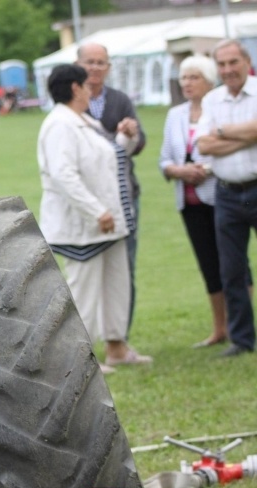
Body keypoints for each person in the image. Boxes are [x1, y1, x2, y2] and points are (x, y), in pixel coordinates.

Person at [37, 64, 152, 373]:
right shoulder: (60, 124)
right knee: (84, 291)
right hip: (84, 225)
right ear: (75, 88)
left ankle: (117, 346)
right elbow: (64, 175)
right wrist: (95, 210)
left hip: (109, 222)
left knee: (116, 284)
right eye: (86, 85)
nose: (91, 91)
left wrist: (125, 139)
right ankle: (79, 359)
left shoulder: (84, 120)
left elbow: (106, 160)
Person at [159, 55, 232, 349]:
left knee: (232, 263)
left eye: (193, 77)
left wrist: (205, 170)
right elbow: (164, 159)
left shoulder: (220, 110)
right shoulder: (175, 115)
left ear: (209, 80)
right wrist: (178, 171)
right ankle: (220, 328)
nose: (186, 83)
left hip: (222, 195)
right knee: (208, 264)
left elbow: (234, 150)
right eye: (183, 77)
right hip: (188, 202)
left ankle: (241, 323)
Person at [77, 42, 147, 337]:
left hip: (122, 193)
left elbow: (140, 143)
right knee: (87, 273)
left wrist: (132, 134)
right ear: (78, 65)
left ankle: (120, 338)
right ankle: (88, 340)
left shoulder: (119, 100)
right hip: (88, 197)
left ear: (108, 67)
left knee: (124, 267)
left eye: (101, 62)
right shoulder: (72, 106)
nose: (95, 68)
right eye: (89, 62)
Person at [197, 39, 257, 357]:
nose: (228, 70)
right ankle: (243, 339)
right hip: (228, 194)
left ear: (247, 61)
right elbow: (203, 146)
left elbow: (212, 138)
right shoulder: (212, 99)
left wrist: (221, 132)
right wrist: (246, 136)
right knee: (232, 269)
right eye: (222, 64)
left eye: (233, 62)